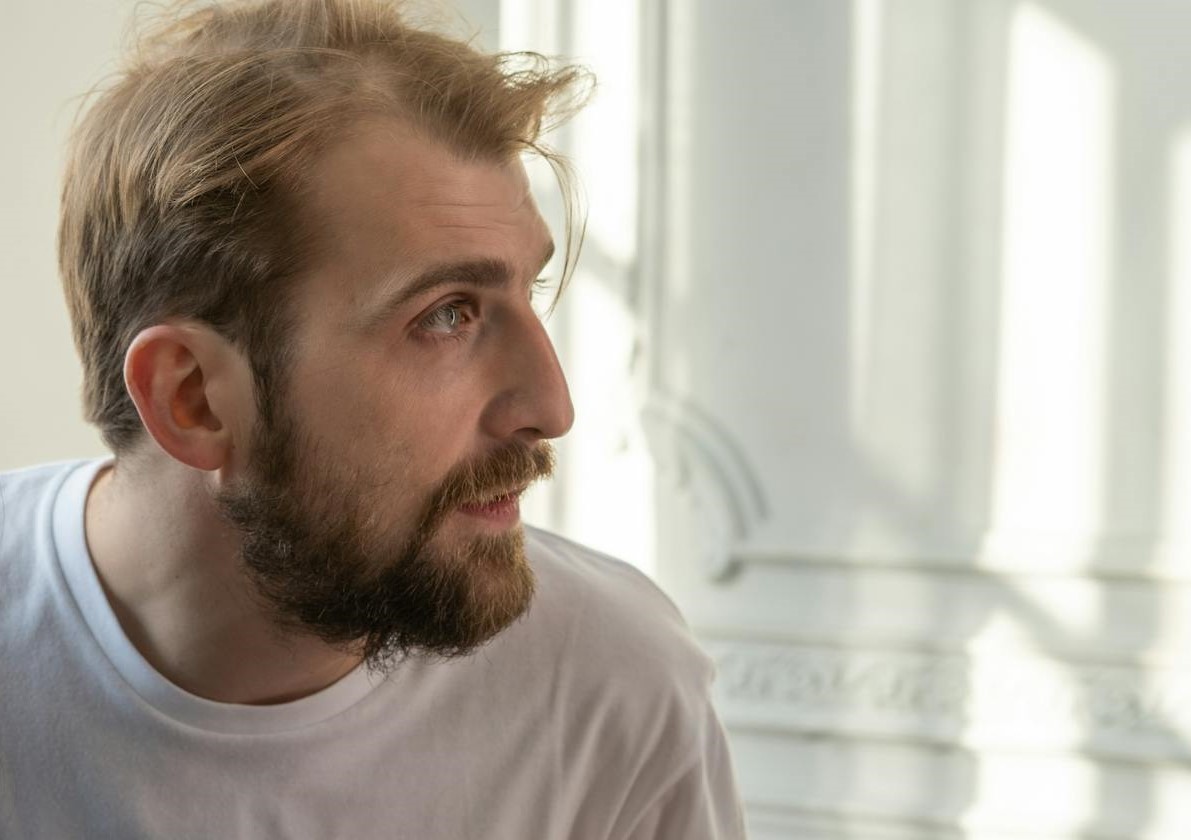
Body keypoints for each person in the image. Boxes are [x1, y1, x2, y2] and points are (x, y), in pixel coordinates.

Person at [0, 0, 746, 837]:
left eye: (524, 293)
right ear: (194, 398)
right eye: (446, 315)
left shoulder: (614, 685)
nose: (551, 407)